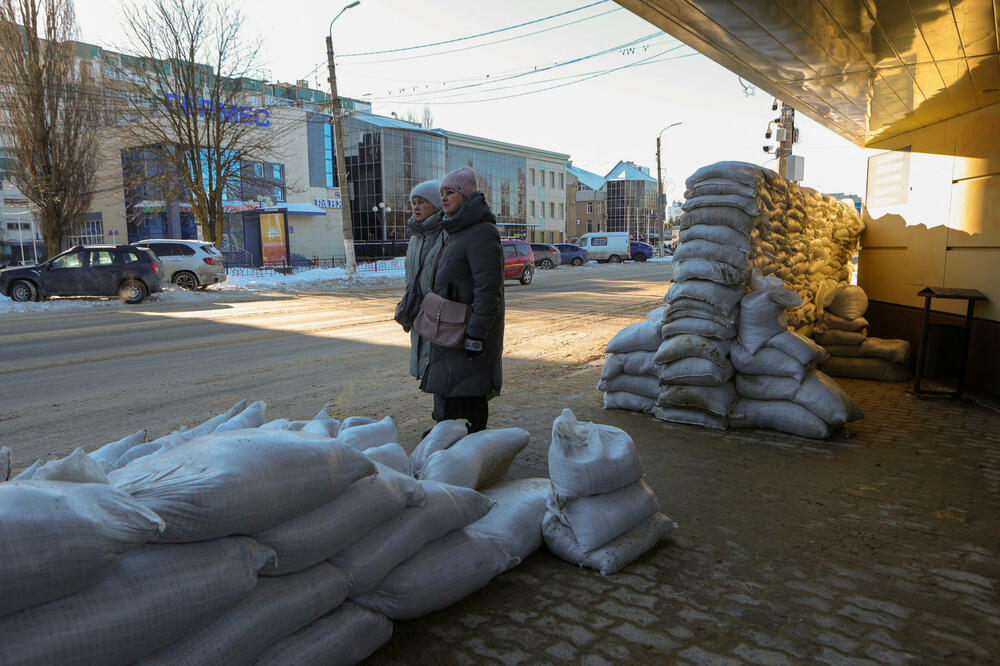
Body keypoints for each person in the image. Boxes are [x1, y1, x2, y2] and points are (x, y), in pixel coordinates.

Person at [419, 166, 504, 432]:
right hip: (448, 326)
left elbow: (488, 290)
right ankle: (447, 435)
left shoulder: (481, 232)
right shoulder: (452, 230)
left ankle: (470, 444)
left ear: (466, 195)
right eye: (442, 193)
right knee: (449, 388)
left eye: (451, 192)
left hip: (467, 330)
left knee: (468, 393)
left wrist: (476, 335)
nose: (444, 198)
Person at [403, 180, 443, 385]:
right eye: (413, 203)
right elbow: (410, 277)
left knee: (438, 369)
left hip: (439, 314)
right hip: (418, 312)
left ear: (436, 205)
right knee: (428, 369)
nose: (416, 207)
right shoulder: (415, 237)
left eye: (422, 202)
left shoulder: (445, 234)